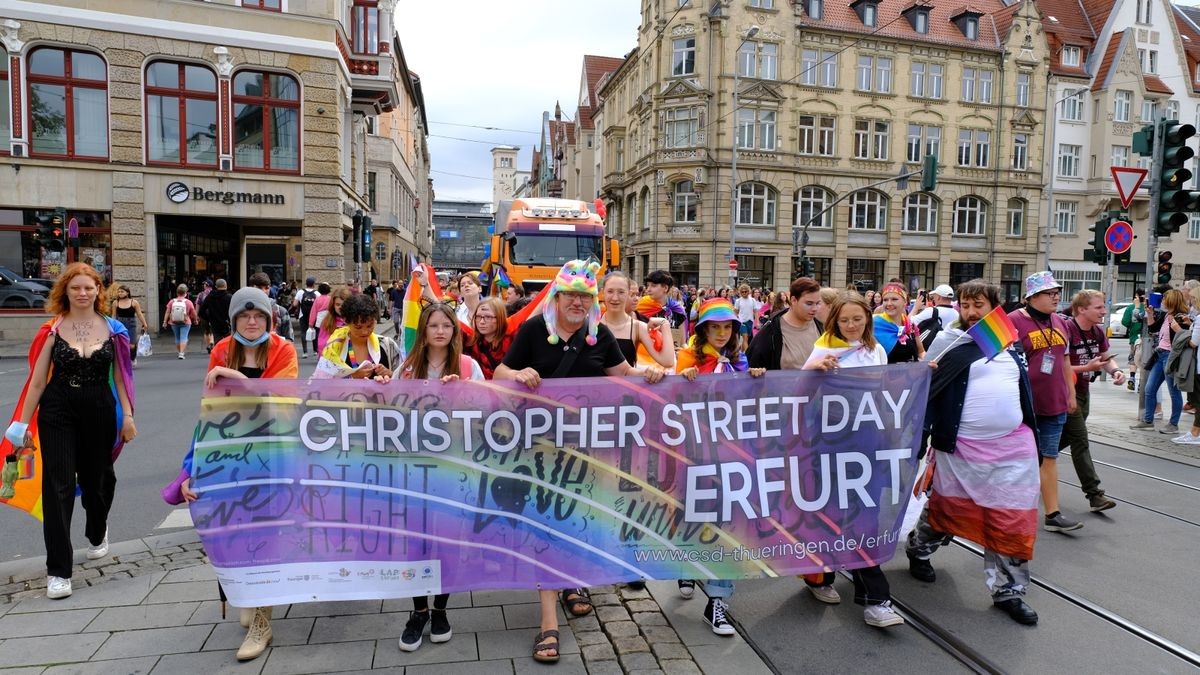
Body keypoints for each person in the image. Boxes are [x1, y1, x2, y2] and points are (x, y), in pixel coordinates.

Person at [494, 259, 665, 663]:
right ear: (558, 296)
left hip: (587, 449)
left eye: (585, 297)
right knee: (546, 523)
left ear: (592, 302)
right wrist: (517, 376)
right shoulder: (535, 330)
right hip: (540, 450)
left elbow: (622, 373)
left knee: (577, 518)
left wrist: (652, 373)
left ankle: (571, 583)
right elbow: (500, 370)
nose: (577, 302)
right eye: (571, 295)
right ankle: (548, 623)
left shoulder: (599, 333)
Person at [910, 279, 1041, 625]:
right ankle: (918, 547)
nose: (970, 313)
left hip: (1013, 447)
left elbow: (1022, 387)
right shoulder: (948, 341)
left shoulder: (1010, 341)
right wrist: (921, 434)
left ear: (994, 307)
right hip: (961, 448)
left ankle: (1009, 591)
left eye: (977, 306)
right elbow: (928, 391)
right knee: (948, 511)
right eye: (964, 306)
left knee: (1011, 519)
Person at [179, 286, 298, 661]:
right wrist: (191, 467)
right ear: (233, 320)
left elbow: (282, 401)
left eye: (259, 316)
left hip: (273, 455)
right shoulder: (221, 350)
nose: (251, 322)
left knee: (265, 531)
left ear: (269, 319)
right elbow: (210, 412)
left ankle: (263, 621)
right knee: (234, 528)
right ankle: (247, 592)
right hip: (231, 456)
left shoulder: (282, 350)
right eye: (245, 316)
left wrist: (236, 376)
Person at [4, 263, 136, 599]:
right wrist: (20, 423)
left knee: (99, 481)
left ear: (97, 292)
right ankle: (58, 571)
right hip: (57, 408)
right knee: (58, 487)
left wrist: (129, 416)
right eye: (75, 288)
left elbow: (121, 376)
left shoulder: (115, 329)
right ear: (65, 291)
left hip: (100, 408)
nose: (82, 293)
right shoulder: (51, 330)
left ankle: (97, 530)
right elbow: (36, 381)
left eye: (88, 288)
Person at [802, 293, 901, 627]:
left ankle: (875, 601)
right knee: (830, 515)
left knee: (866, 516)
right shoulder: (824, 348)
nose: (851, 326)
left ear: (867, 320)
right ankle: (820, 578)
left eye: (857, 319)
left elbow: (883, 393)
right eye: (844, 320)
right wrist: (814, 369)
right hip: (830, 444)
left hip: (868, 442)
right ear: (835, 322)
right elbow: (797, 392)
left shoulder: (877, 350)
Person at [393, 302, 483, 651]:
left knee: (446, 541)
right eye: (433, 325)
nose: (441, 331)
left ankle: (441, 609)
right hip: (415, 470)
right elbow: (392, 414)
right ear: (424, 331)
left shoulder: (468, 366)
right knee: (416, 542)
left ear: (455, 330)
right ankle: (418, 612)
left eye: (447, 325)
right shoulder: (408, 368)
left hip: (453, 469)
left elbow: (484, 415)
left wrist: (463, 393)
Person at [676, 297, 767, 634]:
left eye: (726, 327)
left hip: (731, 453)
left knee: (729, 525)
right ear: (702, 330)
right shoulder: (687, 358)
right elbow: (669, 404)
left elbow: (749, 403)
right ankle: (685, 566)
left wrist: (757, 378)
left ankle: (717, 601)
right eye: (714, 327)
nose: (721, 333)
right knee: (693, 515)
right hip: (695, 452)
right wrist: (681, 379)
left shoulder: (739, 360)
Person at [1008, 272, 1082, 533]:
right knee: (1019, 460)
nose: (1056, 297)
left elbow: (1063, 360)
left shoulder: (1061, 322)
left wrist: (1070, 394)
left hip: (1054, 403)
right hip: (1021, 405)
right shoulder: (1013, 321)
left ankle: (1053, 513)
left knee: (1049, 457)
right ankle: (1010, 511)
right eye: (1049, 293)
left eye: (1057, 292)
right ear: (1032, 296)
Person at [1059, 290, 1123, 511]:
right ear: (1081, 309)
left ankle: (1035, 460)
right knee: (1080, 439)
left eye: (1103, 306)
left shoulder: (1097, 331)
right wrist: (1087, 368)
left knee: (1067, 437)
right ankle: (1094, 494)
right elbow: (1059, 366)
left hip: (1084, 391)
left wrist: (1116, 372)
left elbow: (1106, 359)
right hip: (1066, 390)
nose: (1104, 311)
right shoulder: (1066, 330)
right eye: (1099, 307)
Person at [1131, 288, 1188, 434]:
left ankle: (1173, 424)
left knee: (1173, 391)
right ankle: (1148, 421)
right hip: (1160, 355)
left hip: (1171, 357)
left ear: (1171, 301)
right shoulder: (1165, 315)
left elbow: (1184, 338)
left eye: (1164, 299)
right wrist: (1150, 315)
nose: (1162, 302)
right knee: (1149, 389)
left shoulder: (1181, 317)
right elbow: (1152, 328)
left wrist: (1175, 326)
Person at [311, 293, 400, 380]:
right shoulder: (334, 349)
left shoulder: (387, 346)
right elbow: (320, 384)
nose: (365, 332)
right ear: (346, 321)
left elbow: (405, 380)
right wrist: (352, 377)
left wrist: (390, 374)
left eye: (370, 326)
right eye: (358, 327)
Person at [600, 271, 675, 369]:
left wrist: (665, 324)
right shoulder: (592, 324)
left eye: (621, 292)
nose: (615, 298)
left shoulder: (638, 327)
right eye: (610, 291)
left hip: (627, 383)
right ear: (602, 292)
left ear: (628, 293)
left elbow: (668, 361)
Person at [874, 282, 925, 363]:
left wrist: (927, 362)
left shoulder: (911, 326)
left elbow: (921, 352)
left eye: (894, 299)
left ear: (905, 302)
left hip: (911, 374)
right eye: (885, 300)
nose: (889, 304)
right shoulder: (873, 325)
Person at [464, 296, 511, 380]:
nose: (481, 322)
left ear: (500, 317)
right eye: (478, 317)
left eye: (488, 317)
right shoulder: (469, 341)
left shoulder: (512, 340)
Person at [110, 285, 149, 367]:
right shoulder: (115, 302)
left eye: (122, 291)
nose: (120, 293)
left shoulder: (134, 302)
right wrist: (112, 325)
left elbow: (139, 314)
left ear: (127, 293)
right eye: (119, 291)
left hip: (131, 324)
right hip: (119, 324)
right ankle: (124, 360)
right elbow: (113, 315)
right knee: (121, 344)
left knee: (131, 345)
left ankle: (132, 358)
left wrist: (144, 324)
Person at [250, 273, 293, 342]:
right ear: (251, 288)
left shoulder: (281, 311)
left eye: (266, 288)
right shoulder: (243, 310)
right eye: (259, 288)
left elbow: (289, 340)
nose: (263, 291)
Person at [163, 283, 200, 359]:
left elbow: (167, 312)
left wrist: (164, 322)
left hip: (173, 322)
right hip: (186, 322)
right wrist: (195, 320)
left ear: (177, 293)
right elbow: (193, 313)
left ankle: (180, 351)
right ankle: (181, 353)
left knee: (177, 337)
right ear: (185, 293)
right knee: (184, 337)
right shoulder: (188, 302)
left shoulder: (171, 302)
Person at [316, 286, 352, 355]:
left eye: (344, 304)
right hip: (333, 358)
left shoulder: (355, 320)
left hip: (352, 358)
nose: (341, 307)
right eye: (337, 305)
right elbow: (322, 345)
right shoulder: (327, 321)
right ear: (333, 305)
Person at [1122, 291, 1145, 391]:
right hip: (1148, 339)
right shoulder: (1149, 307)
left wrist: (1131, 327)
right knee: (1144, 361)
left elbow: (1125, 321)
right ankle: (1141, 382)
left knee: (1133, 358)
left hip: (1135, 337)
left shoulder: (1131, 308)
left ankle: (1132, 378)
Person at [292, 277, 321, 358]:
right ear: (313, 284)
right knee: (314, 331)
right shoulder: (317, 293)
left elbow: (294, 304)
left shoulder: (300, 292)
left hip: (303, 315)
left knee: (303, 332)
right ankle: (315, 350)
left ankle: (305, 352)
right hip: (314, 316)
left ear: (306, 283)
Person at [200, 279, 232, 347]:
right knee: (229, 343)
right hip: (227, 323)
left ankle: (219, 356)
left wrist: (208, 318)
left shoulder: (210, 297)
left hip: (215, 323)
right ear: (226, 286)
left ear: (216, 286)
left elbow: (201, 311)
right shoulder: (229, 297)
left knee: (218, 343)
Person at [733, 284, 762, 352]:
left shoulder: (752, 300)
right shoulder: (738, 301)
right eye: (742, 292)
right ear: (740, 292)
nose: (744, 293)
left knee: (746, 339)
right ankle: (747, 356)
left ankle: (742, 353)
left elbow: (755, 312)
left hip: (750, 321)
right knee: (745, 338)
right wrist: (735, 321)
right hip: (742, 322)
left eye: (745, 291)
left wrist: (757, 322)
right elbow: (735, 312)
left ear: (748, 291)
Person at [195, 280, 214, 353]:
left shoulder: (201, 294)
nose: (203, 285)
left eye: (204, 284)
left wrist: (196, 315)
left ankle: (208, 345)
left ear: (206, 285)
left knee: (206, 331)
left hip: (204, 315)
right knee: (213, 330)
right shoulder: (214, 293)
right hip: (213, 315)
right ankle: (212, 342)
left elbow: (197, 305)